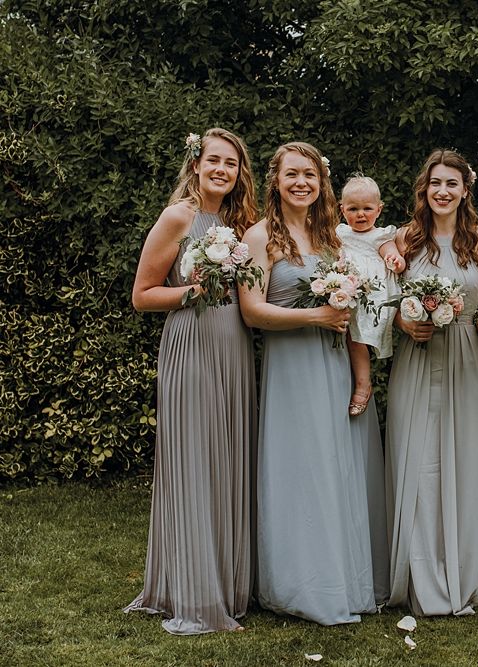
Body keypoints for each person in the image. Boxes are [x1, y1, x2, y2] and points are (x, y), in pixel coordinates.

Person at [238, 141, 387, 623]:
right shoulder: (259, 237)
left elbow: (353, 315)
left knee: (336, 467)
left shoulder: (331, 238)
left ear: (321, 183)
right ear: (275, 181)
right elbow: (253, 310)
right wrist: (314, 316)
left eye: (310, 175)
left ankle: (340, 577)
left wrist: (361, 378)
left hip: (334, 363)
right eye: (292, 174)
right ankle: (298, 583)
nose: (301, 182)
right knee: (300, 466)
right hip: (291, 367)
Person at [125, 128, 258, 634]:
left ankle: (227, 584)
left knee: (227, 459)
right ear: (197, 164)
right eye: (215, 161)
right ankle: (196, 595)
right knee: (195, 461)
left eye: (232, 163)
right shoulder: (179, 216)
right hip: (193, 341)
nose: (223, 170)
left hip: (233, 344)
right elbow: (142, 295)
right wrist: (191, 292)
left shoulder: (240, 222)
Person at [386, 148, 478, 616]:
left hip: (468, 358)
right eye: (435, 184)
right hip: (418, 353)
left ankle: (463, 571)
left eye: (451, 183)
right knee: (420, 461)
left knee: (467, 460)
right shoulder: (404, 239)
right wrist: (403, 321)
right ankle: (419, 573)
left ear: (465, 190)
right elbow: (378, 299)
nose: (443, 191)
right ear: (424, 191)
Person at [336, 174, 405, 415]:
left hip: (370, 295)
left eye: (367, 208)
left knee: (357, 340)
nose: (361, 215)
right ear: (342, 209)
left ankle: (363, 386)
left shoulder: (380, 236)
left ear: (379, 209)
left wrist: (394, 261)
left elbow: (394, 256)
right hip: (345, 290)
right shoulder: (341, 233)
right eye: (353, 209)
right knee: (344, 337)